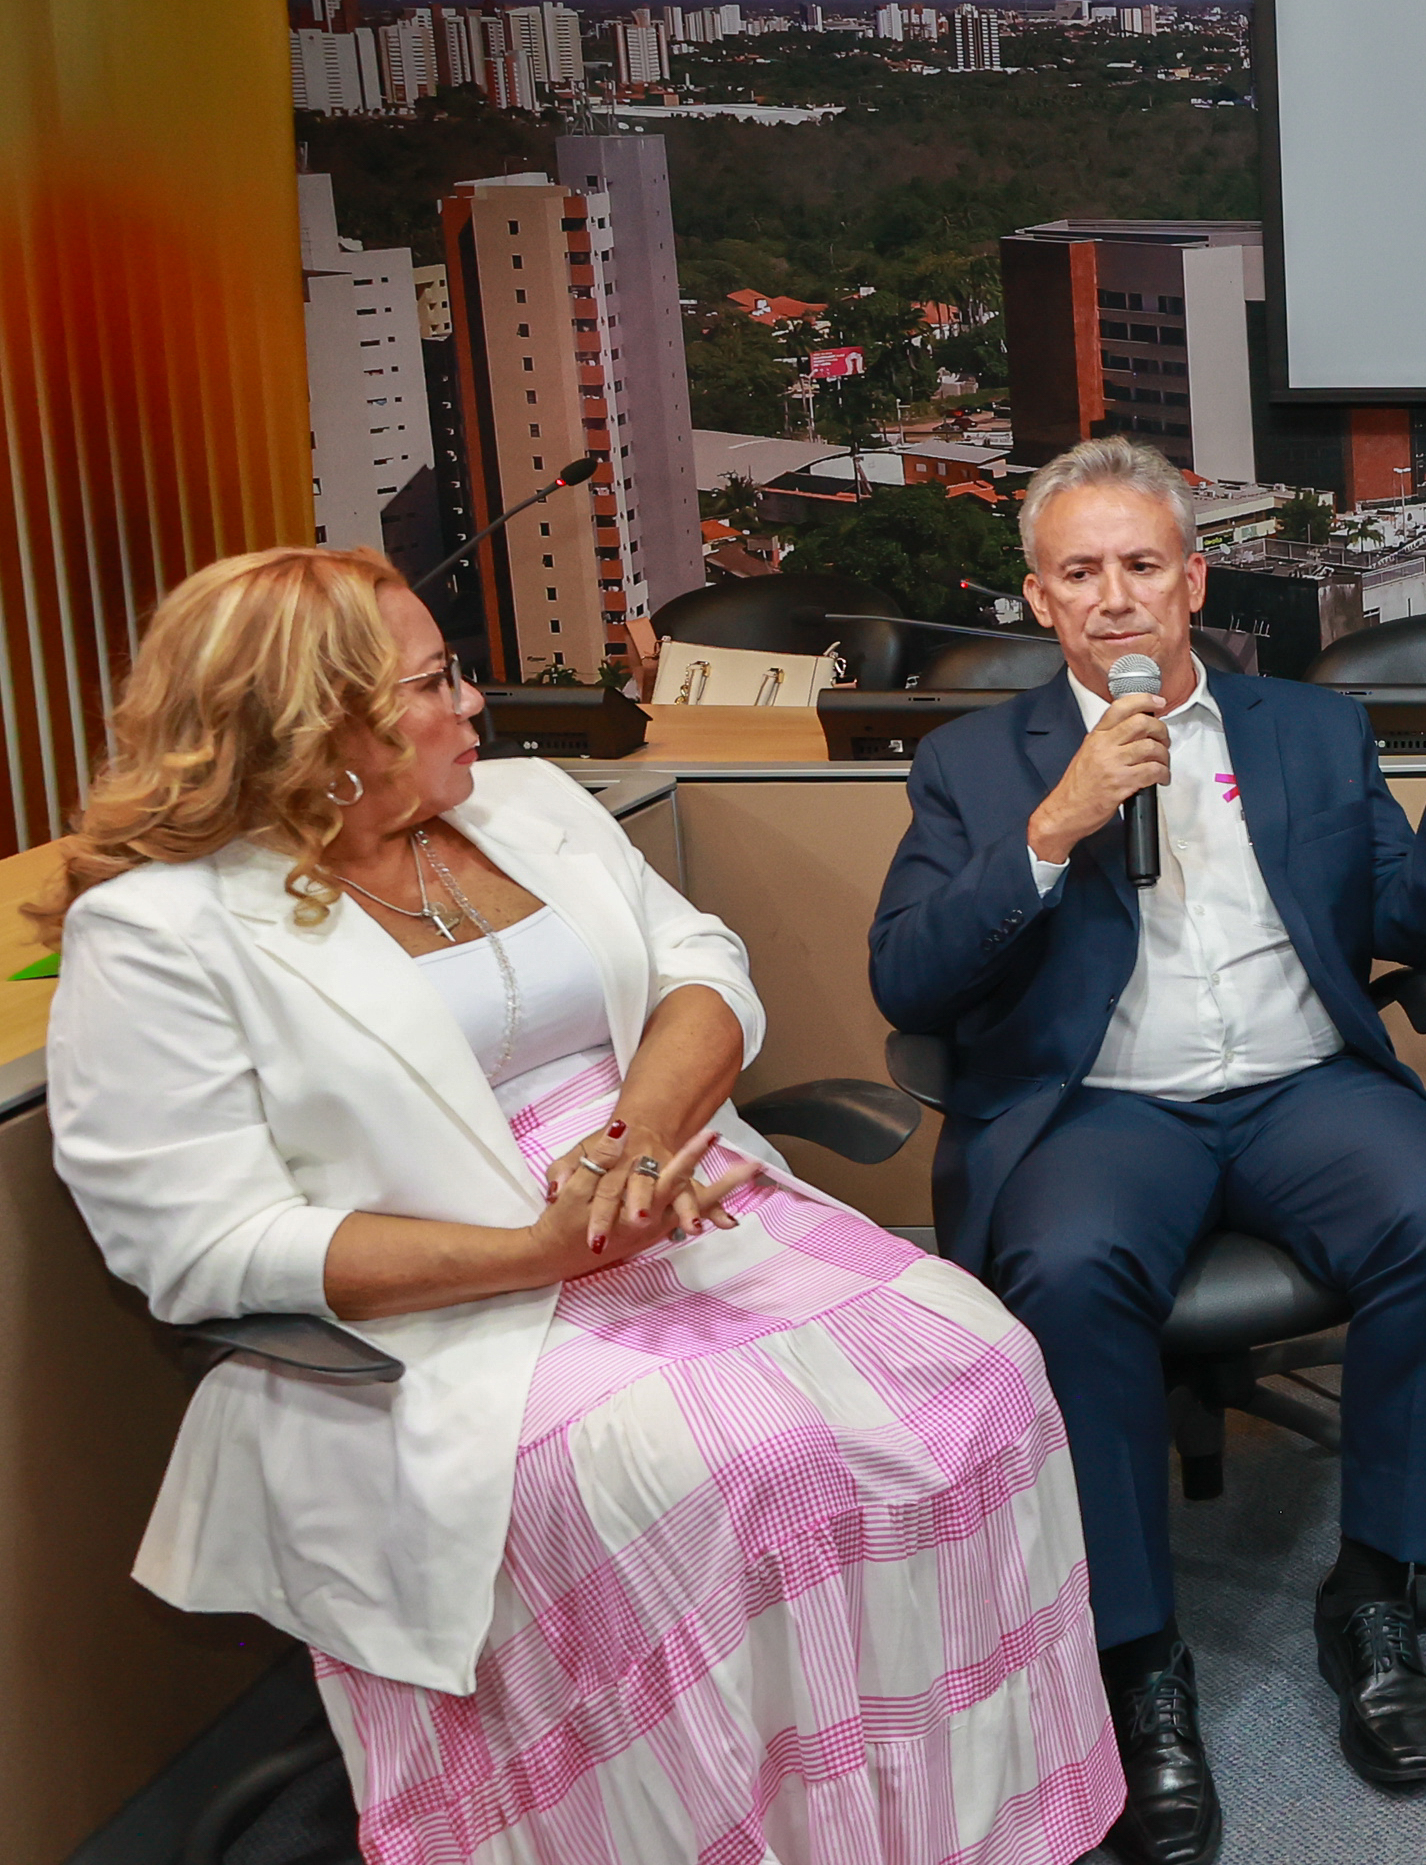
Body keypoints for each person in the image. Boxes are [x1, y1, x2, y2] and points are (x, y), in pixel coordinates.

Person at [40, 547, 1117, 1864]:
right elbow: (196, 1243)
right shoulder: (162, 931)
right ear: (319, 729)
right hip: (447, 1303)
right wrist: (536, 1250)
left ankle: (942, 1824)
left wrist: (638, 1137)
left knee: (985, 1361)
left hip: (678, 1196)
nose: (473, 702)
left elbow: (700, 963)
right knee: (743, 1470)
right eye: (432, 684)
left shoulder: (528, 802)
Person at [870, 435, 1426, 1865]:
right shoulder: (975, 763)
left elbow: (1404, 919)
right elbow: (909, 977)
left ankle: (1374, 1590)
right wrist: (1055, 828)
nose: (1115, 597)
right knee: (1067, 1268)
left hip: (1301, 1085)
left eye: (1142, 565)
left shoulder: (1310, 727)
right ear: (1041, 598)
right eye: (1081, 572)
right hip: (1107, 1105)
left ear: (1194, 580)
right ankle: (1139, 1659)